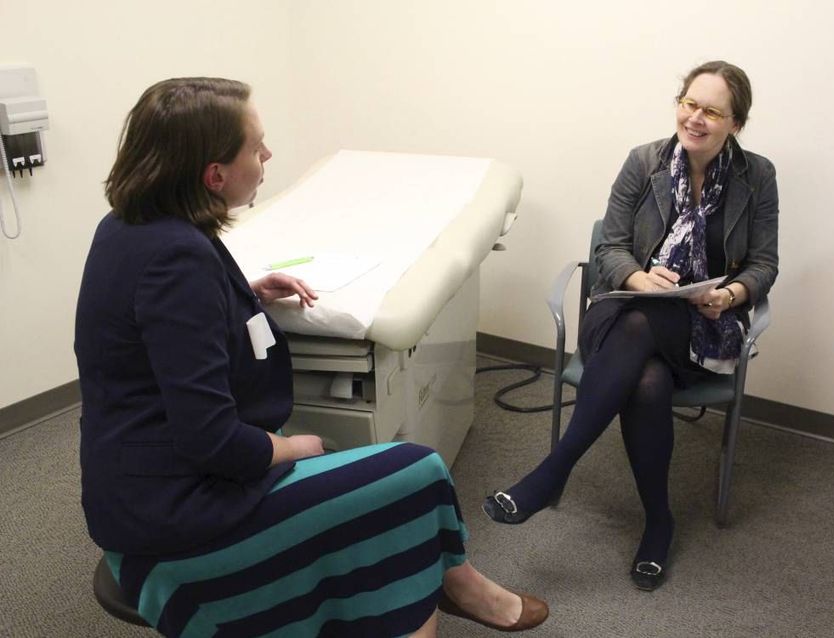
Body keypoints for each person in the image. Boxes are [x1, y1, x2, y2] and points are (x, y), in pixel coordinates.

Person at [74, 77, 548, 637]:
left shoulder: (131, 226)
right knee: (418, 471)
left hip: (133, 489)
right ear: (214, 174)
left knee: (400, 485)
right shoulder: (177, 259)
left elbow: (154, 328)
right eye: (256, 145)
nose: (268, 154)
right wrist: (296, 446)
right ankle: (459, 588)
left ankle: (460, 586)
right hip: (176, 522)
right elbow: (212, 441)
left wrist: (239, 294)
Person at [483, 61, 778, 591]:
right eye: (689, 102)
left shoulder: (756, 177)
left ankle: (555, 473)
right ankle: (657, 524)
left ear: (736, 123)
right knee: (645, 348)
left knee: (648, 368)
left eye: (712, 111)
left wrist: (729, 294)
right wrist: (642, 279)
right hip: (624, 312)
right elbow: (609, 246)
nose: (695, 118)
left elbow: (764, 264)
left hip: (702, 330)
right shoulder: (643, 162)